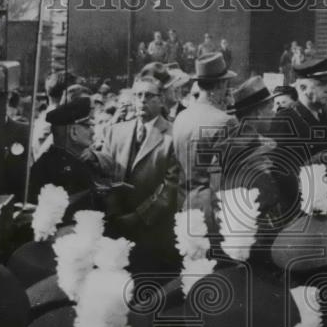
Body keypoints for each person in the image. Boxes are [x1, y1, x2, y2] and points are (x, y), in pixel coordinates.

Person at [95, 74, 180, 269]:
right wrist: (114, 212)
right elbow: (105, 175)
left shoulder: (172, 136)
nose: (142, 101)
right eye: (138, 95)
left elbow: (170, 186)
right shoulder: (115, 132)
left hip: (152, 232)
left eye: (149, 96)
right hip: (116, 228)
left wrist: (138, 217)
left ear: (161, 100)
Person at [171, 52, 238, 208]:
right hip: (211, 207)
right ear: (220, 85)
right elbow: (233, 175)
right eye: (226, 83)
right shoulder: (225, 121)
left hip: (182, 203)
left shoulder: (181, 117)